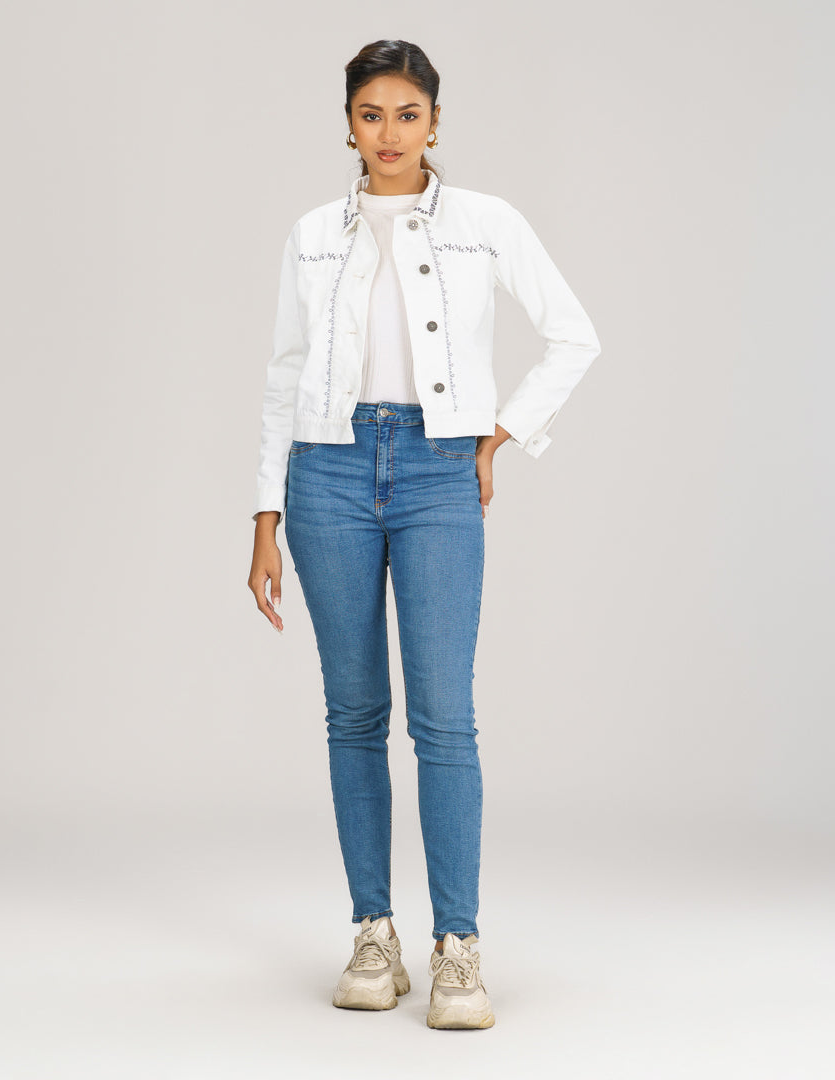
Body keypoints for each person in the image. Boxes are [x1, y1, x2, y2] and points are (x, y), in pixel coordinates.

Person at [246, 39, 600, 1030]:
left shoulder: (486, 223)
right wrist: (265, 513)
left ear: (435, 122)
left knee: (444, 716)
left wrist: (500, 432)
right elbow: (284, 374)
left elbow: (574, 334)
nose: (390, 132)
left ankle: (458, 948)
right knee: (354, 712)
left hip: (440, 471)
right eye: (372, 114)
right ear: (348, 125)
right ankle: (373, 933)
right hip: (327, 472)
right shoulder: (312, 235)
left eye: (408, 114)